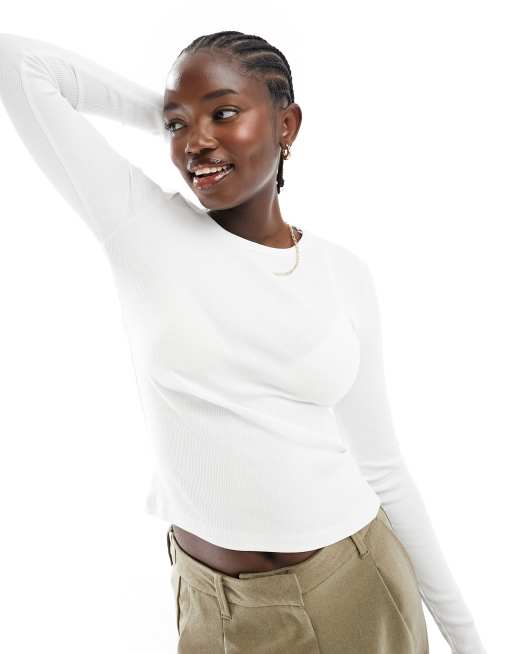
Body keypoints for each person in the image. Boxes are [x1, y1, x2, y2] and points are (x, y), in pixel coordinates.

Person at [0, 30, 487, 654]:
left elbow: (384, 467)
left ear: (287, 124)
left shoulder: (343, 274)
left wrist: (467, 639)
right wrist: (173, 115)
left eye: (224, 112)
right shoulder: (144, 230)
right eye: (178, 125)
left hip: (352, 591)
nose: (195, 141)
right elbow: (19, 64)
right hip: (210, 608)